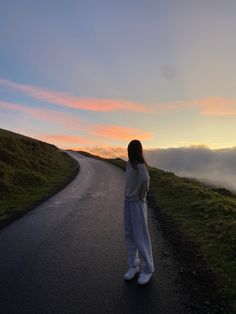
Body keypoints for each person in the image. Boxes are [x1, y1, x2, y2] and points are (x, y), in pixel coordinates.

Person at [123, 139, 154, 285]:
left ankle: (147, 269)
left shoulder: (140, 166)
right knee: (129, 235)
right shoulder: (129, 164)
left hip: (137, 204)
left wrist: (141, 196)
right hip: (128, 203)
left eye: (130, 149)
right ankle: (133, 266)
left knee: (141, 236)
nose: (128, 151)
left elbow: (145, 181)